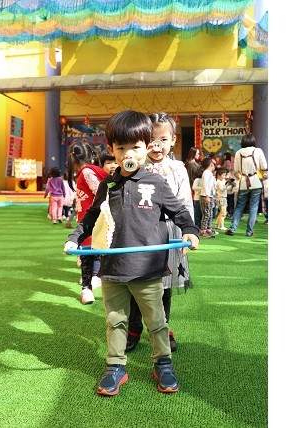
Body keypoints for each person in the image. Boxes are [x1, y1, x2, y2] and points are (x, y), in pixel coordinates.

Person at [64, 110, 200, 396]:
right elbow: (91, 216)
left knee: (157, 321)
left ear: (147, 147)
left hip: (147, 268)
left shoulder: (157, 183)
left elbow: (178, 211)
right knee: (115, 320)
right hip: (113, 269)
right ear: (111, 149)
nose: (129, 153)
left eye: (136, 147)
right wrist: (75, 237)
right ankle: (115, 366)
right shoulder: (108, 184)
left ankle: (163, 363)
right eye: (121, 147)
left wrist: (190, 230)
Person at [125, 112, 194, 354]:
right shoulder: (135, 166)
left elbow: (185, 202)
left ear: (173, 140)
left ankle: (162, 327)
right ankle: (134, 328)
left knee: (164, 285)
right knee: (136, 281)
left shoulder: (178, 169)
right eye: (152, 140)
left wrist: (187, 232)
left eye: (163, 140)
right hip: (140, 233)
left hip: (169, 233)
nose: (157, 146)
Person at [66, 141, 109, 303]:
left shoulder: (86, 172)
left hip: (91, 220)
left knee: (87, 255)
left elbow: (99, 191)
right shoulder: (91, 171)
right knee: (91, 254)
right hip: (91, 220)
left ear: (73, 160)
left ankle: (87, 287)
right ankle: (90, 284)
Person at [225, 133, 268, 237]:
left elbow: (236, 170)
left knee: (239, 206)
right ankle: (249, 231)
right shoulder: (258, 151)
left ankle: (232, 228)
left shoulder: (238, 153)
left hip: (243, 182)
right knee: (253, 207)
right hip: (256, 182)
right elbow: (264, 166)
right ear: (253, 141)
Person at [199, 157, 217, 238]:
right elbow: (205, 185)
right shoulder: (206, 173)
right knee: (206, 214)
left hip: (210, 196)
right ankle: (203, 230)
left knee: (210, 214)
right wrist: (207, 195)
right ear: (211, 165)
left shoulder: (209, 173)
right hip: (206, 196)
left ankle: (209, 229)